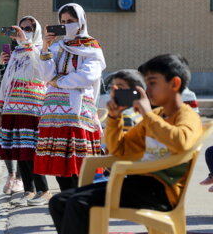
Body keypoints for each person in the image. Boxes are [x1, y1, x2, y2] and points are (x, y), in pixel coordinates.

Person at [48, 54, 203, 234]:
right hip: (139, 184)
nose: (147, 90)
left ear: (174, 84)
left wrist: (147, 114)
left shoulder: (186, 115)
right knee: (59, 202)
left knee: (78, 203)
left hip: (162, 192)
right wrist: (114, 118)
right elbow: (119, 150)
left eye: (152, 83)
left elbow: (181, 141)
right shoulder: (157, 116)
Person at [34, 3, 106, 191]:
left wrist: (58, 82)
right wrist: (45, 47)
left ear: (81, 22)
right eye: (63, 22)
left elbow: (86, 76)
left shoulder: (91, 47)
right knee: (59, 166)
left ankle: (78, 206)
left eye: (71, 21)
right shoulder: (57, 46)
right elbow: (45, 75)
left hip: (77, 112)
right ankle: (67, 205)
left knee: (78, 164)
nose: (67, 25)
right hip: (54, 112)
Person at [0, 16, 50, 206]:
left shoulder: (41, 49)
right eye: (21, 28)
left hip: (33, 107)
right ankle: (28, 190)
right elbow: (6, 82)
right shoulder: (16, 53)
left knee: (32, 151)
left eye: (28, 28)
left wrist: (25, 41)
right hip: (13, 107)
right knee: (20, 151)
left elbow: (41, 70)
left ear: (36, 31)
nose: (24, 31)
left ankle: (43, 190)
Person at [0, 49, 23, 195]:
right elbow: (2, 83)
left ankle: (19, 177)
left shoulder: (31, 54)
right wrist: (1, 65)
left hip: (28, 106)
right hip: (8, 106)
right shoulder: (13, 59)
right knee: (7, 142)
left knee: (21, 142)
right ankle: (11, 174)